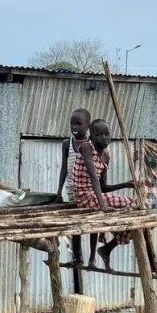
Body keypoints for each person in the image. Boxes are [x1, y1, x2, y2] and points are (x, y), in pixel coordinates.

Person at [73, 118, 157, 274]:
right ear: (91, 136)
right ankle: (152, 262)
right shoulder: (86, 147)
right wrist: (102, 205)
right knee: (137, 206)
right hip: (84, 197)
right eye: (99, 135)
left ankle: (108, 248)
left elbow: (104, 187)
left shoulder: (105, 155)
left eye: (107, 134)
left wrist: (126, 184)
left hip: (96, 197)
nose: (104, 137)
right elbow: (93, 177)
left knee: (139, 211)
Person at [55, 108, 92, 267]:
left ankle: (91, 259)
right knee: (76, 224)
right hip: (72, 191)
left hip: (87, 191)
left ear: (87, 126)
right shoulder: (67, 144)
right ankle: (78, 257)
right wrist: (58, 192)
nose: (74, 127)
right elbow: (64, 168)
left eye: (78, 123)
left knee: (90, 224)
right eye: (72, 123)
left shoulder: (91, 145)